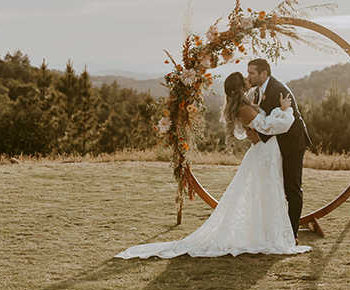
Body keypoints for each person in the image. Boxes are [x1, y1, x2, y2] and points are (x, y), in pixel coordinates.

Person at [115, 72, 310, 259]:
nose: (248, 78)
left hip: (263, 151)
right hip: (266, 152)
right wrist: (284, 109)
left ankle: (268, 232)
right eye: (245, 78)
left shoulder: (243, 106)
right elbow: (268, 126)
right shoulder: (244, 108)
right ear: (241, 88)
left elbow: (255, 126)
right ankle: (270, 236)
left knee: (265, 192)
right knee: (268, 191)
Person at [246, 58, 313, 241]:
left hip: (292, 144)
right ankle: (278, 228)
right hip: (277, 145)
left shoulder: (279, 90)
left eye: (252, 73)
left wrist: (260, 136)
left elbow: (282, 123)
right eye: (248, 72)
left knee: (292, 188)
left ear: (264, 74)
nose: (248, 76)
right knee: (276, 186)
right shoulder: (259, 91)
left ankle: (292, 233)